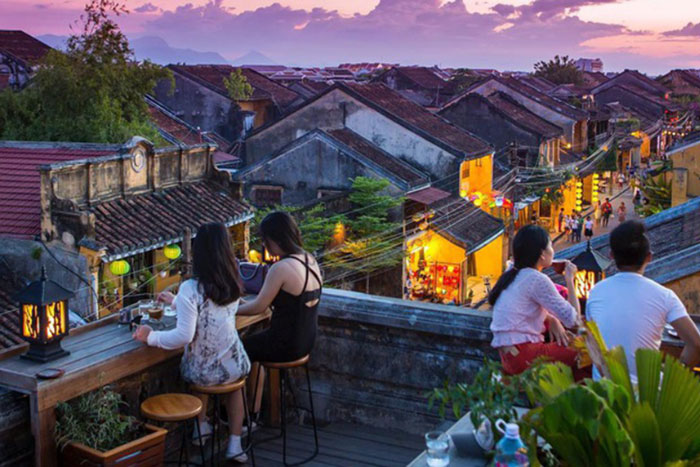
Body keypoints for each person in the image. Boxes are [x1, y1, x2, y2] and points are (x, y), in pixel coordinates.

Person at [133, 223, 251, 461]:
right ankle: (235, 445)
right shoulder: (233, 282)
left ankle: (201, 427)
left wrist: (151, 336)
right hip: (235, 364)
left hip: (202, 371)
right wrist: (177, 301)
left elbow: (183, 336)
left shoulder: (191, 287)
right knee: (235, 387)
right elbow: (211, 310)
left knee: (198, 371)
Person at [586, 221, 700, 382]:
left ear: (611, 255)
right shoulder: (665, 296)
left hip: (604, 392)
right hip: (648, 395)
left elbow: (593, 339)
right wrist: (673, 377)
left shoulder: (596, 292)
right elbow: (696, 344)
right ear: (649, 257)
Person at [238, 212, 322, 416]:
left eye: (265, 241)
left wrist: (231, 310)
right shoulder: (309, 259)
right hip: (306, 340)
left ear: (276, 239)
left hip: (285, 343)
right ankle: (254, 410)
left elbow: (259, 306)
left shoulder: (281, 268)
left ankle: (240, 415)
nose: (265, 247)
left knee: (239, 348)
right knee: (254, 348)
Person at [489, 225, 585, 379]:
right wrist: (570, 279)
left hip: (510, 356)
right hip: (524, 356)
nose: (552, 251)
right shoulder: (536, 279)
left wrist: (551, 319)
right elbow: (574, 320)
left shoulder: (512, 271)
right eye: (550, 246)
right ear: (542, 254)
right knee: (587, 351)